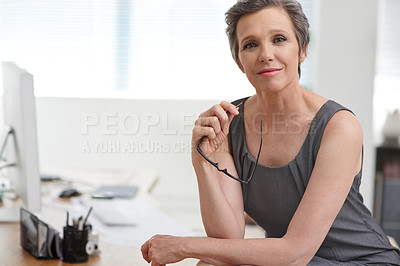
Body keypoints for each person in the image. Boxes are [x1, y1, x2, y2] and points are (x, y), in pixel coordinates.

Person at [141, 0, 400, 265]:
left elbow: (296, 253)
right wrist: (203, 161)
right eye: (250, 44)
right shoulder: (231, 123)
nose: (265, 54)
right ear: (239, 61)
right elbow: (228, 237)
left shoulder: (338, 126)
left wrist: (184, 245)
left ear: (303, 49)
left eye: (279, 39)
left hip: (357, 260)